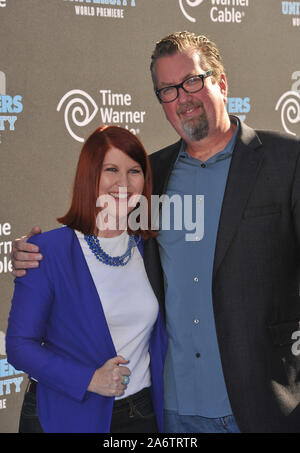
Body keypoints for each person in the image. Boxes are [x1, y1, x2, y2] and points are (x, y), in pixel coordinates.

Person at [11, 31, 300, 433]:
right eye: (167, 90)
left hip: (261, 404)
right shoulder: (153, 174)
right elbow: (94, 242)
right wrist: (31, 252)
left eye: (192, 81)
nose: (182, 97)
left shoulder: (287, 161)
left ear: (221, 82)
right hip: (170, 409)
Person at [6, 125, 167, 433]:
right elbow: (19, 346)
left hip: (143, 414)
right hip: (68, 415)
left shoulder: (151, 248)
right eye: (111, 169)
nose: (123, 183)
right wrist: (89, 379)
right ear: (89, 174)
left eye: (134, 171)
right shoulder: (46, 251)